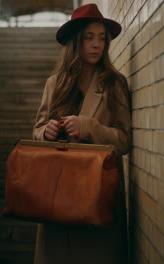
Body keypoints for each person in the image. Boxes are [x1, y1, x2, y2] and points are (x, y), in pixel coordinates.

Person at [32, 3, 131, 264]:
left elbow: (124, 140)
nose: (96, 45)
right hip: (58, 191)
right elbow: (38, 130)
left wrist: (89, 127)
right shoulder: (55, 83)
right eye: (89, 38)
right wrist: (47, 132)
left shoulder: (114, 83)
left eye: (101, 38)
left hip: (97, 192)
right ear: (76, 42)